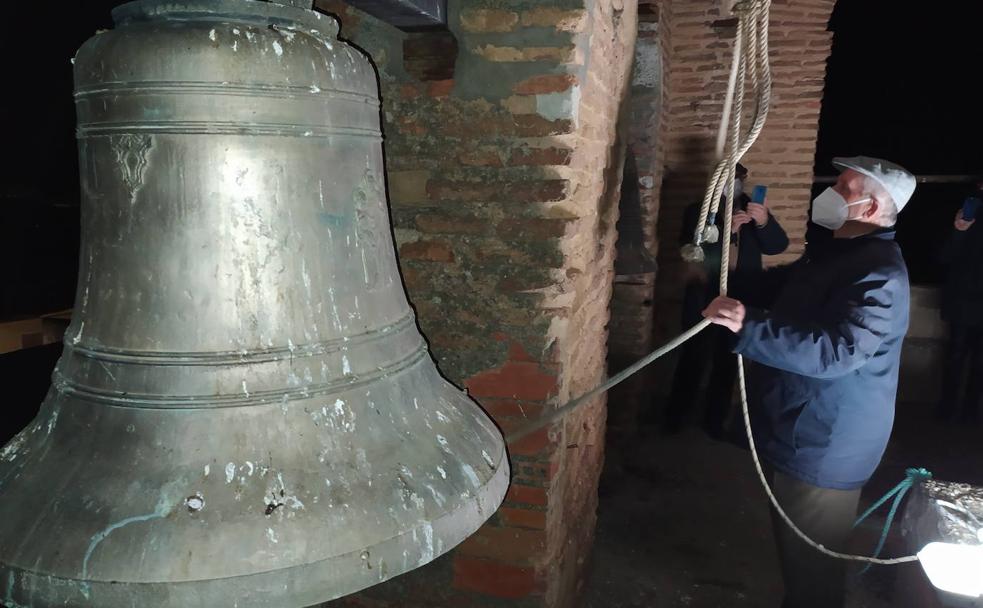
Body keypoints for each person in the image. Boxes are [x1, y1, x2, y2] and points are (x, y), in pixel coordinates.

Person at [702, 156, 916, 608]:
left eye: (845, 186)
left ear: (872, 209)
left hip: (827, 442)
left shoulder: (879, 274)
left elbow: (837, 351)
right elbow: (788, 286)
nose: (833, 190)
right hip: (806, 424)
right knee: (795, 554)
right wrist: (731, 290)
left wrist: (749, 326)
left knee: (812, 570)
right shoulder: (843, 254)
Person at [663, 163, 788, 437]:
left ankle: (714, 421)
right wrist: (727, 231)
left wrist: (764, 221)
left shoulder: (753, 209)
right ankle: (675, 418)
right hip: (704, 291)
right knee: (693, 353)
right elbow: (691, 252)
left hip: (742, 294)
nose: (733, 183)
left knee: (728, 358)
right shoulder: (698, 211)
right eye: (726, 177)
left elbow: (778, 245)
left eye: (738, 178)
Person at [937, 177, 983, 424]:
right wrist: (958, 231)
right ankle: (948, 409)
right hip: (963, 299)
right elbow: (945, 256)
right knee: (956, 356)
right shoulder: (968, 211)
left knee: (977, 362)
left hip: (965, 298)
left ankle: (969, 412)